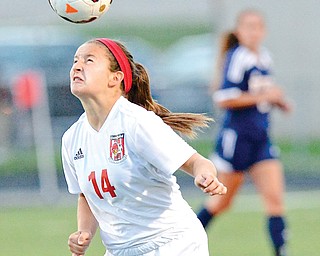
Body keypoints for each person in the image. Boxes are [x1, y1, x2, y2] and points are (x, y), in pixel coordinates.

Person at [61, 37, 227, 256]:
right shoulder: (72, 138)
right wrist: (84, 232)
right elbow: (86, 195)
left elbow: (197, 162)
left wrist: (205, 176)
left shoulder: (136, 122)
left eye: (89, 60)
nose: (77, 66)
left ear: (115, 78)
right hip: (120, 250)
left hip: (172, 244)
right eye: (75, 61)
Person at [197, 9, 291, 256]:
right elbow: (223, 97)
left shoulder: (264, 58)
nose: (253, 31)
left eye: (257, 26)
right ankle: (184, 241)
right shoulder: (237, 57)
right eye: (248, 26)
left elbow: (260, 95)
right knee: (220, 202)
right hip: (236, 139)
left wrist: (277, 101)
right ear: (239, 31)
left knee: (275, 201)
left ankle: (282, 251)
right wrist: (264, 96)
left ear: (264, 31)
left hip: (260, 138)